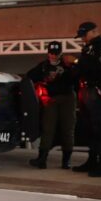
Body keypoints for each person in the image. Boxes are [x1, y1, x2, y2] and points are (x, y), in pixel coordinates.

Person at [26, 41, 77, 169]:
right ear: (48, 53)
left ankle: (66, 161)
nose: (53, 56)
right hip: (51, 99)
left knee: (68, 128)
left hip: (67, 98)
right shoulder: (43, 66)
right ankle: (42, 159)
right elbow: (29, 76)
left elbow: (77, 77)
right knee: (48, 129)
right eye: (51, 53)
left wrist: (73, 64)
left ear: (60, 53)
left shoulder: (67, 65)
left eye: (56, 53)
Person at [71, 22, 101, 177]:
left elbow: (100, 68)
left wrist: (75, 62)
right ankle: (92, 160)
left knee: (100, 129)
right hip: (87, 91)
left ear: (94, 31)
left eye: (84, 35)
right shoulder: (89, 47)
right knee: (89, 128)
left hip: (98, 92)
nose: (82, 39)